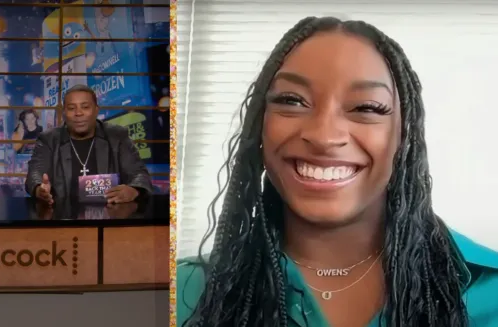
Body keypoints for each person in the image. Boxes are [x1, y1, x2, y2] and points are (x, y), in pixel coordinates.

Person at [176, 17, 498, 327]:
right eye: (292, 100)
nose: (324, 136)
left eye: (367, 107)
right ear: (260, 126)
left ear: (405, 136)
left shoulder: (491, 290)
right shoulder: (185, 292)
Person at [26, 84, 152, 205]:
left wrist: (133, 190)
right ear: (64, 113)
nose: (78, 113)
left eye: (85, 107)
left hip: (111, 216)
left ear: (96, 110)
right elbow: (34, 175)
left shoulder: (117, 136)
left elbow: (139, 174)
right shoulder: (49, 140)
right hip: (63, 217)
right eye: (71, 108)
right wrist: (39, 190)